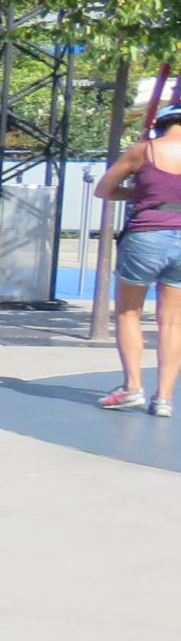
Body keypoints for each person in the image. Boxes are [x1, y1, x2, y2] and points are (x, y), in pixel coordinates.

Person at [94, 86, 181, 416]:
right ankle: (165, 398)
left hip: (146, 234)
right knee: (172, 322)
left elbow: (104, 189)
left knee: (129, 312)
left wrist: (139, 195)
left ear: (160, 126)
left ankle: (132, 387)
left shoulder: (142, 151)